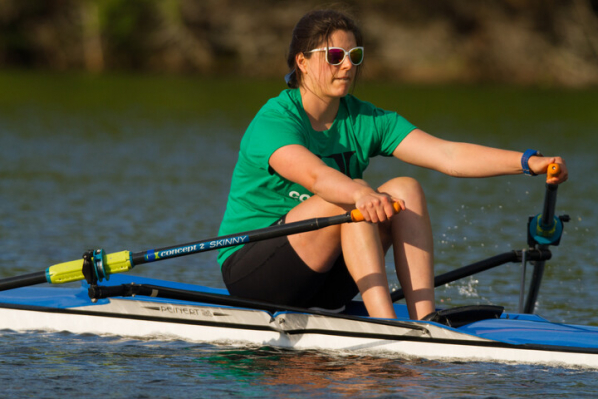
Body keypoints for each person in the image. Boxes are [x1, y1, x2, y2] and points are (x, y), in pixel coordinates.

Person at [217, 9, 568, 320]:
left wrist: (527, 162)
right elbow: (316, 176)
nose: (348, 65)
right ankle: (386, 327)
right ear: (302, 62)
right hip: (254, 274)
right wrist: (359, 193)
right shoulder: (275, 120)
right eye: (335, 56)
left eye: (354, 55)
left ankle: (424, 320)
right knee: (352, 197)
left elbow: (447, 155)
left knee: (406, 189)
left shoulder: (366, 118)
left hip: (325, 281)